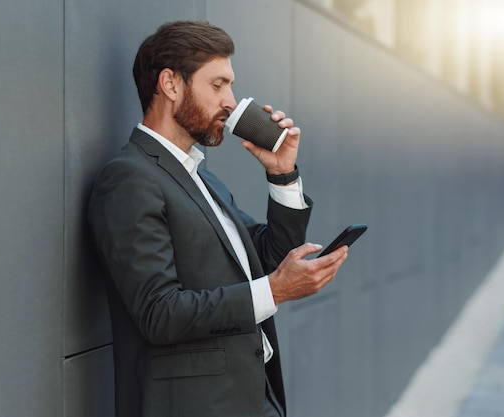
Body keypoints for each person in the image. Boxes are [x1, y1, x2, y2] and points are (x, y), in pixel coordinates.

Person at [87, 20, 348, 417]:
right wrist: (274, 292)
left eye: (229, 86)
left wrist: (282, 174)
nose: (231, 101)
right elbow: (159, 312)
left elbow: (269, 257)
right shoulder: (129, 179)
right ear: (171, 84)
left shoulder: (204, 180)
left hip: (252, 397)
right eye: (218, 85)